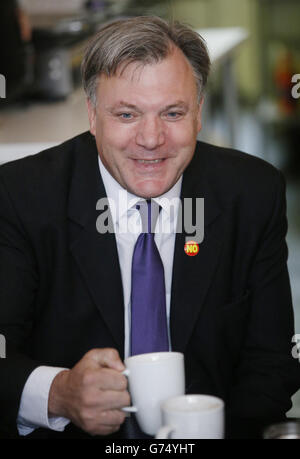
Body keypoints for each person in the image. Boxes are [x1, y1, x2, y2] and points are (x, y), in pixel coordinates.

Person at [0, 16, 299, 440]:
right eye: (127, 114)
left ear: (198, 113)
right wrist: (60, 393)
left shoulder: (250, 193)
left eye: (172, 112)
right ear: (91, 114)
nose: (152, 138)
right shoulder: (20, 197)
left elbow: (271, 362)